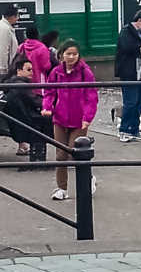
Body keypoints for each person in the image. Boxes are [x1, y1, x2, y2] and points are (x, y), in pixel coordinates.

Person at [41, 40, 98, 202]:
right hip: (60, 118)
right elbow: (50, 92)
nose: (71, 57)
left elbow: (91, 97)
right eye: (68, 54)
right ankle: (61, 188)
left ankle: (88, 178)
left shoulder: (85, 73)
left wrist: (88, 118)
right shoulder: (56, 72)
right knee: (60, 155)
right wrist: (47, 107)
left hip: (79, 120)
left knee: (75, 152)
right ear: (61, 55)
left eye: (75, 54)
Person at [113, 8, 141, 143]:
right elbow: (127, 47)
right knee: (130, 101)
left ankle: (134, 129)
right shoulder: (126, 31)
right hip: (129, 72)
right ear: (139, 20)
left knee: (140, 100)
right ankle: (124, 129)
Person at [1, 56, 46, 160]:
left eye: (33, 70)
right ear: (19, 71)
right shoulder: (21, 86)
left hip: (17, 122)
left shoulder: (11, 84)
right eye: (29, 69)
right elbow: (36, 102)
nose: (32, 72)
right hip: (27, 124)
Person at [0, 6, 21, 79]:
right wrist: (3, 70)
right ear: (11, 17)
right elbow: (2, 51)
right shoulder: (4, 29)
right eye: (16, 16)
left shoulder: (4, 26)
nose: (17, 19)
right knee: (2, 89)